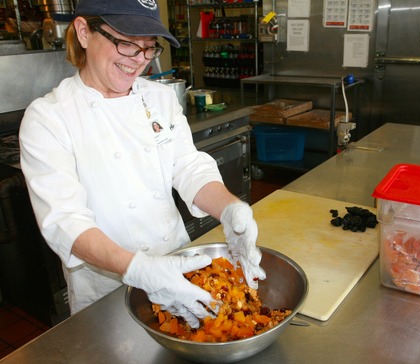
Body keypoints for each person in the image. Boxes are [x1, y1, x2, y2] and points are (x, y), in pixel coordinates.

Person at [19, 0, 265, 328]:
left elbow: (188, 166)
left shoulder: (159, 98)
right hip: (107, 293)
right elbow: (65, 221)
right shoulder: (49, 118)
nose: (138, 60)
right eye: (126, 43)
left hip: (179, 268)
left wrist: (232, 210)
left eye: (149, 48)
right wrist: (139, 269)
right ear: (83, 32)